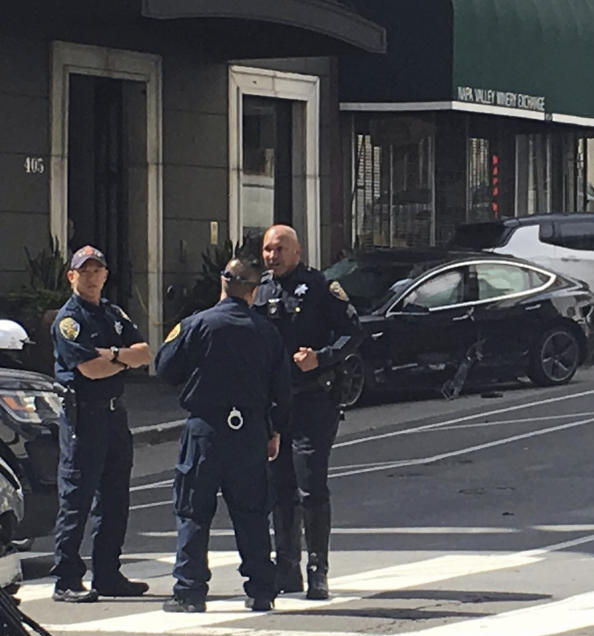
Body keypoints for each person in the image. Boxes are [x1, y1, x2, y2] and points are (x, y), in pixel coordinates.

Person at [155, 258, 291, 613]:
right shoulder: (267, 332)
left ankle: (189, 591)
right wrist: (272, 431)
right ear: (255, 291)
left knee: (193, 512)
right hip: (249, 432)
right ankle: (262, 590)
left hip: (205, 430)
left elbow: (166, 369)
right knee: (252, 513)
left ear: (223, 283)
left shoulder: (197, 324)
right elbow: (282, 390)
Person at [254, 225, 363, 600]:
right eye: (268, 249)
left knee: (310, 485)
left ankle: (319, 570)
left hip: (314, 401)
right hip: (273, 407)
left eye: (280, 249)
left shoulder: (319, 287)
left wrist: (322, 358)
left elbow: (352, 331)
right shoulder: (260, 290)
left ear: (297, 252)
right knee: (278, 487)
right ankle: (287, 567)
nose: (272, 255)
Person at [50, 245, 153, 603]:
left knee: (114, 499)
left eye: (98, 270)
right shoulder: (70, 320)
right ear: (72, 276)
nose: (92, 277)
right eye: (85, 271)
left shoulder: (112, 314)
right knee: (77, 498)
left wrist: (112, 356)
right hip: (85, 416)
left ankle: (107, 574)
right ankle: (66, 579)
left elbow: (145, 352)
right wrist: (122, 359)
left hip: (114, 416)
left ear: (106, 275)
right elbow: (89, 371)